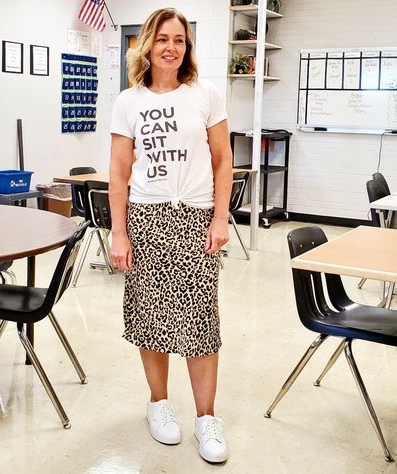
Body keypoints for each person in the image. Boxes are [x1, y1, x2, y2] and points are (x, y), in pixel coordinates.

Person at [109, 7, 232, 464]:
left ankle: (206, 418)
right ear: (147, 44)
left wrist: (220, 219)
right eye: (163, 39)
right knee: (151, 317)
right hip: (146, 219)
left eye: (180, 40)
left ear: (188, 47)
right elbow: (119, 174)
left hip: (195, 220)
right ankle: (159, 405)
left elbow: (223, 161)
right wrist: (119, 233)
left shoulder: (206, 94)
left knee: (201, 322)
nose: (171, 47)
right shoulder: (129, 101)